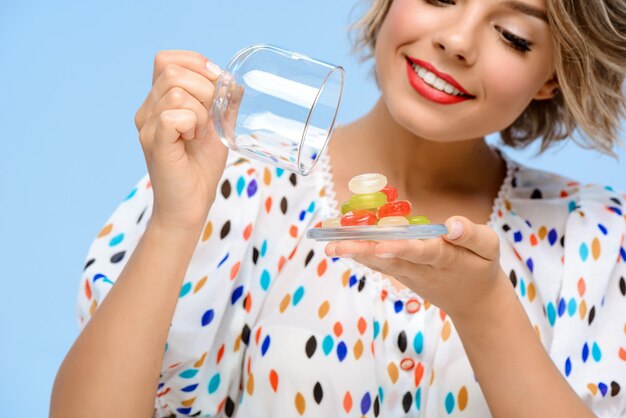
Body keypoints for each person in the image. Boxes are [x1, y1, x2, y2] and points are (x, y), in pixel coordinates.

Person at [50, 0, 626, 416]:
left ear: (554, 75)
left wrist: (484, 310)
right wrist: (175, 221)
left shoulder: (594, 237)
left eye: (513, 35)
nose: (456, 40)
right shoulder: (226, 190)